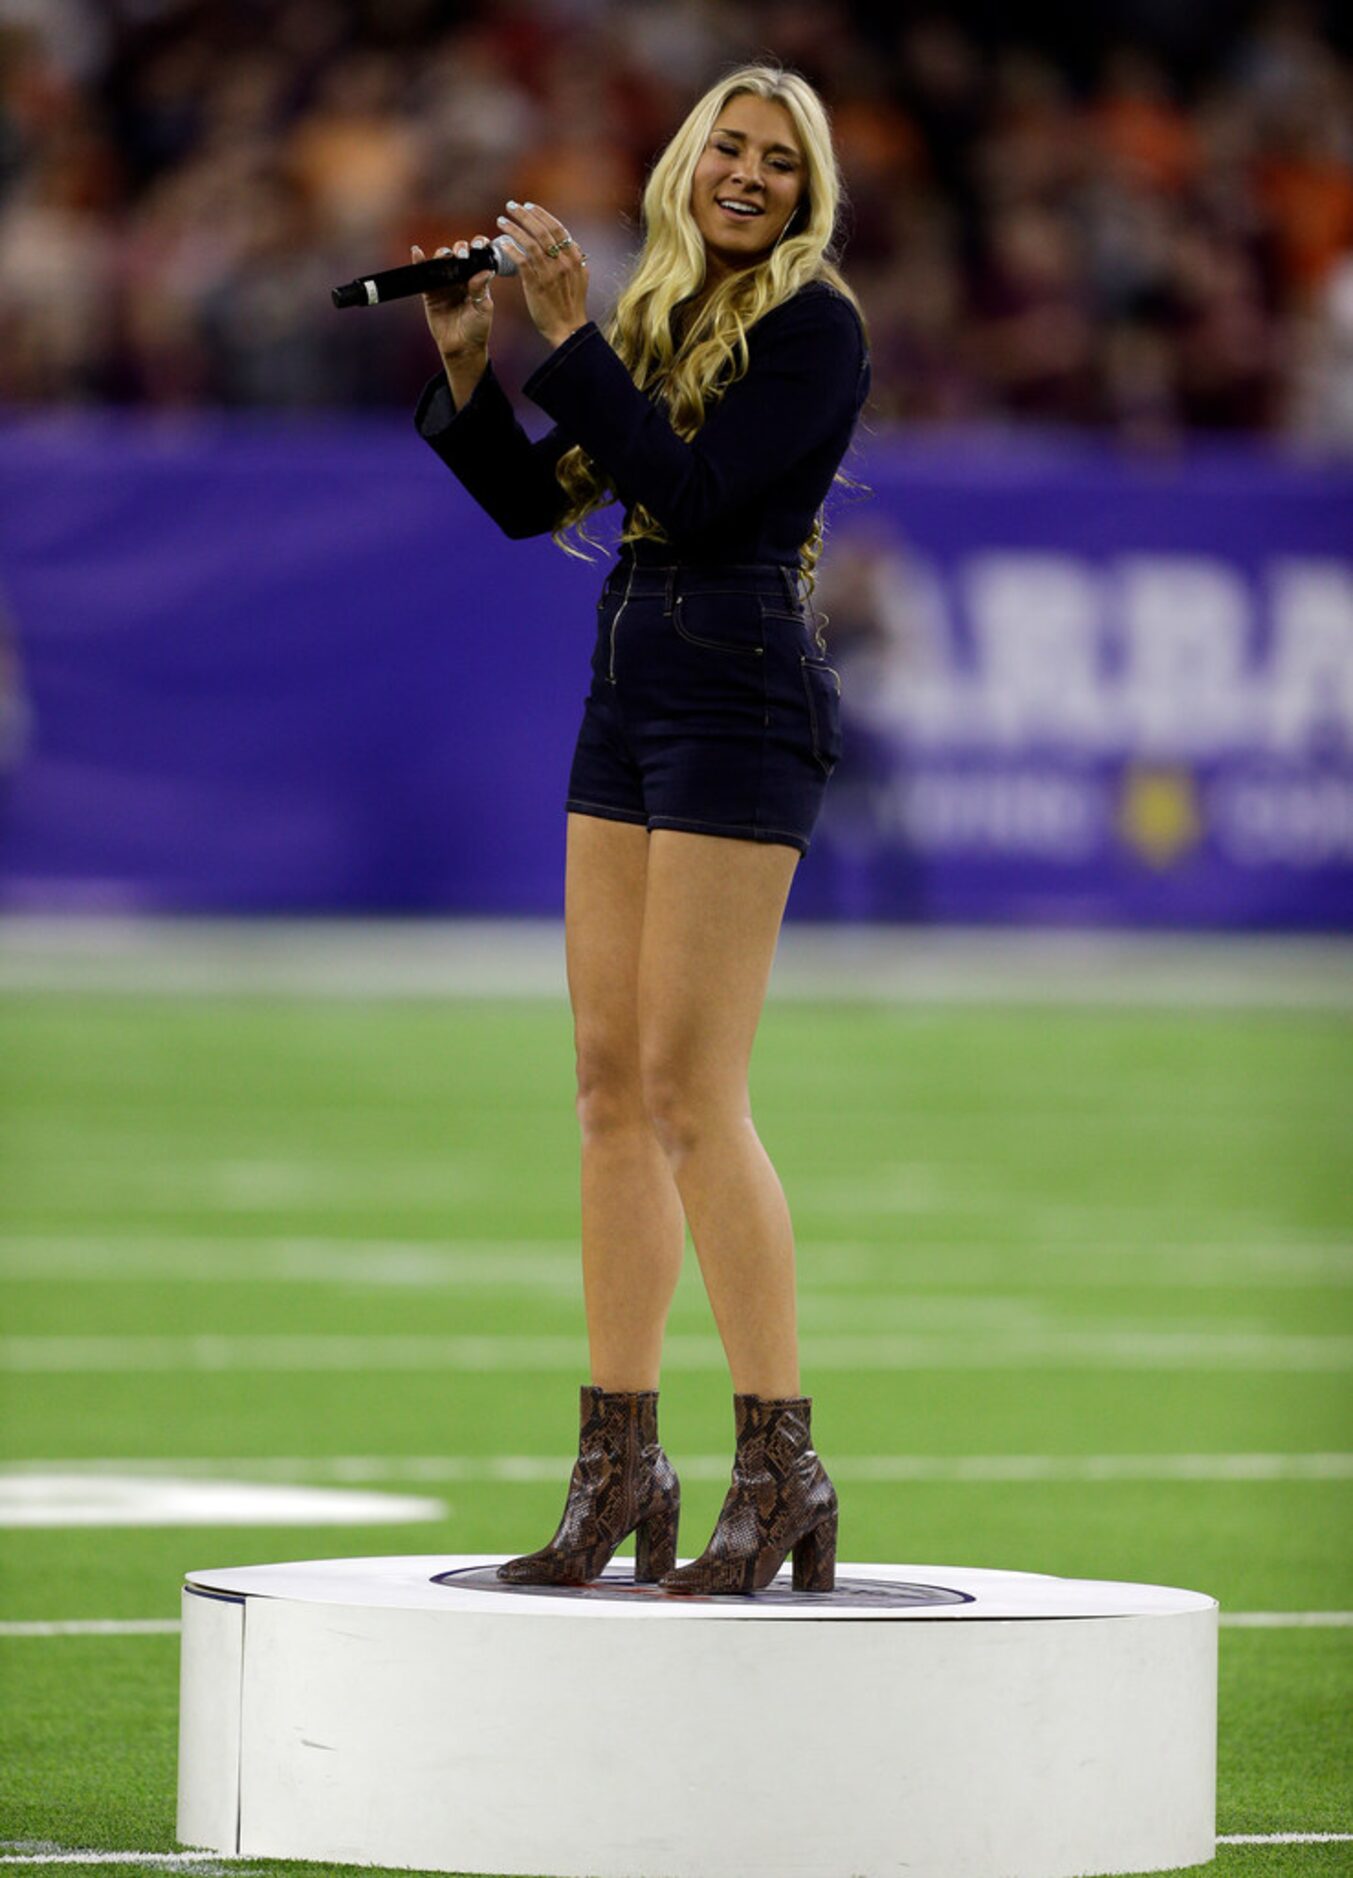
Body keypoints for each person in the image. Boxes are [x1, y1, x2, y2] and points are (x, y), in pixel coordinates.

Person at [412, 61, 870, 1596]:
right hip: (631, 682)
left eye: (778, 160)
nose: (747, 174)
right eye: (727, 148)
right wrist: (478, 367)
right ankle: (617, 1465)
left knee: (690, 1089)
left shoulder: (816, 326)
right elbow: (535, 502)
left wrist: (571, 338)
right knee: (607, 1088)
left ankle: (778, 1459)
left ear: (808, 190)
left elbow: (697, 492)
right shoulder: (669, 315)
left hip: (741, 689)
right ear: (689, 162)